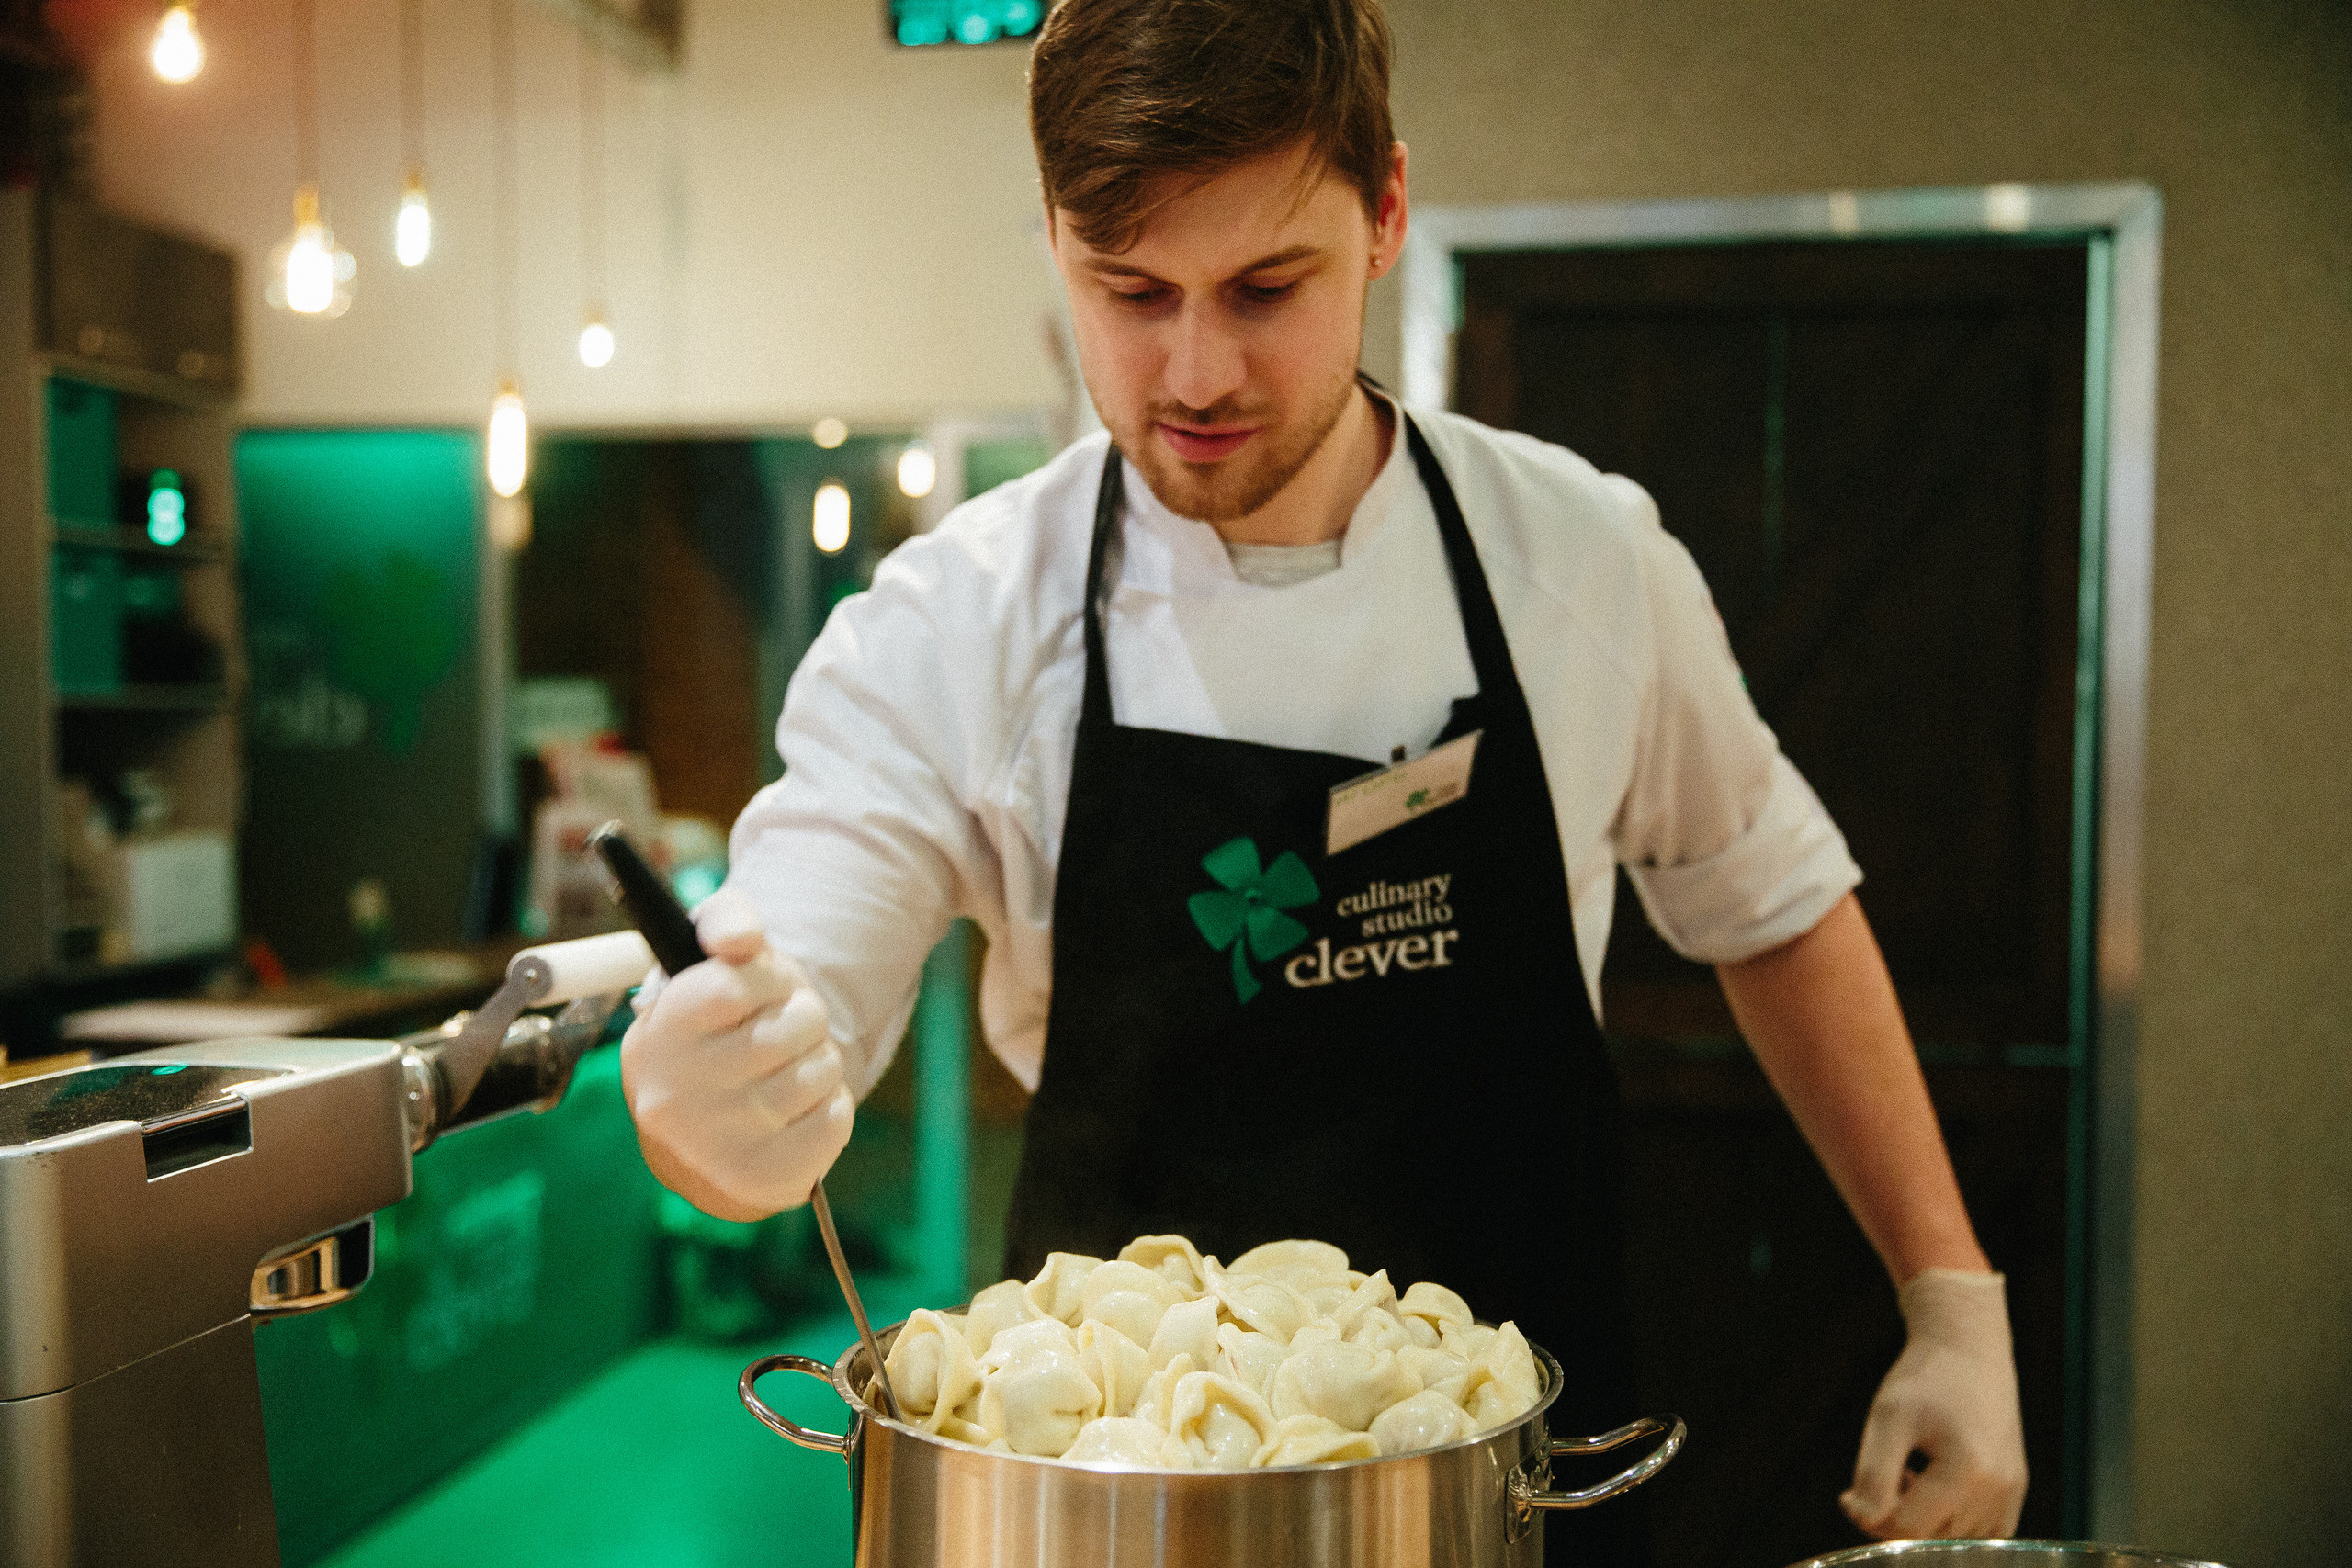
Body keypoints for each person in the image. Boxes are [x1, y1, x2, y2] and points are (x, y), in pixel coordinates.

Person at [620, 0, 2027, 1547]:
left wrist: (1950, 1294)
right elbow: (804, 949)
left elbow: (1772, 902)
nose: (1196, 368)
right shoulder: (959, 625)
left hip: (1508, 1487)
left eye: (1264, 286)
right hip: (1112, 1496)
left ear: (1388, 215)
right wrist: (717, 1104)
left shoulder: (1577, 559)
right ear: (1053, 243)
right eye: (1131, 291)